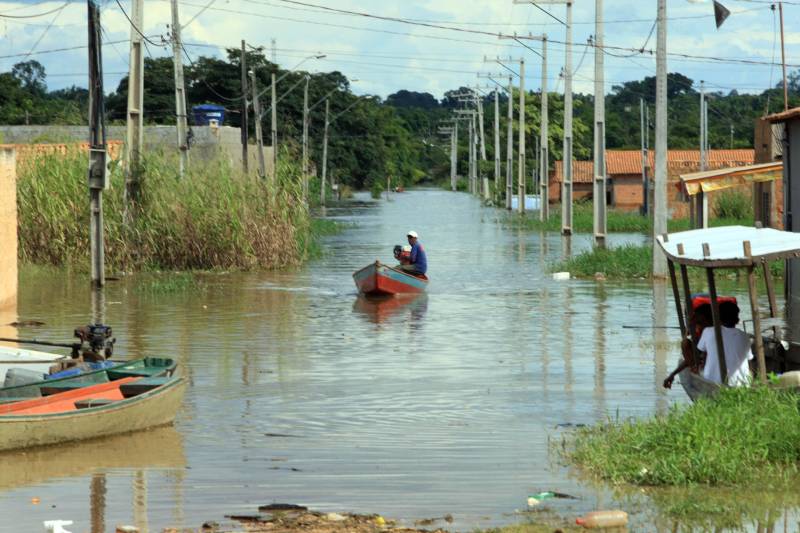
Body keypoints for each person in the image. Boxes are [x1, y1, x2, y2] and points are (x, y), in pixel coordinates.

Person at [698, 301, 753, 386]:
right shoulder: (745, 336)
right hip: (741, 383)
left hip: (713, 381)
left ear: (718, 317)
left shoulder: (708, 331)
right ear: (737, 319)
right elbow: (749, 358)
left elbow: (701, 351)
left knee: (698, 368)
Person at [663, 304, 712, 389]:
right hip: (701, 361)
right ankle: (695, 367)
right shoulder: (698, 334)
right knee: (685, 343)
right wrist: (673, 374)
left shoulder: (710, 332)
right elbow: (689, 358)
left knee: (685, 343)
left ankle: (696, 367)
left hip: (709, 366)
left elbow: (706, 353)